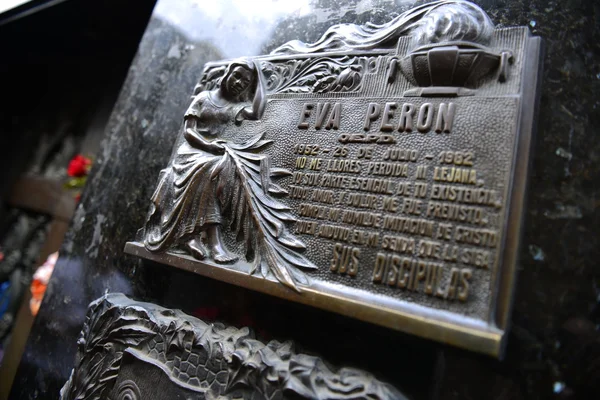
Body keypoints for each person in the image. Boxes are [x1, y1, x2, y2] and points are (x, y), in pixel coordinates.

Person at [144, 58, 266, 263]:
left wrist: (260, 79)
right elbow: (189, 131)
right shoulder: (203, 98)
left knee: (217, 168)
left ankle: (190, 236)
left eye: (245, 83)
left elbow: (257, 112)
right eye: (237, 76)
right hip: (192, 150)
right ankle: (212, 241)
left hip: (212, 154)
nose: (238, 83)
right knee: (210, 167)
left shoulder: (234, 107)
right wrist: (208, 146)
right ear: (227, 73)